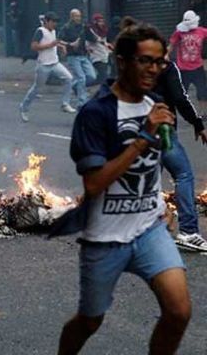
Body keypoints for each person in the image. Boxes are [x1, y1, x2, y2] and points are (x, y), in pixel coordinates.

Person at [57, 22, 190, 355]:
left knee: (179, 312)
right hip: (105, 238)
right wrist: (143, 138)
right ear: (122, 61)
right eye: (145, 61)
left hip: (149, 230)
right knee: (90, 321)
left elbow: (157, 167)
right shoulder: (95, 113)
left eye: (159, 62)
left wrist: (165, 204)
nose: (153, 69)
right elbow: (95, 182)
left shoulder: (156, 104)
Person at [18, 11, 75, 122]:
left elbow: (53, 42)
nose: (55, 24)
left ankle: (65, 103)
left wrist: (60, 46)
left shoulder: (53, 31)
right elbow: (34, 46)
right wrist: (51, 45)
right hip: (43, 65)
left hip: (55, 63)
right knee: (37, 88)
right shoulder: (40, 31)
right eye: (53, 22)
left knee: (69, 78)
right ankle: (24, 107)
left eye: (56, 22)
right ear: (47, 21)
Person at [167, 10, 207, 115]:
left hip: (198, 68)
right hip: (183, 69)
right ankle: (177, 113)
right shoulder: (179, 32)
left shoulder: (202, 31)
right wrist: (165, 55)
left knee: (203, 91)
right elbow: (171, 46)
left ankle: (203, 113)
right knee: (180, 93)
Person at [59, 9, 97, 106]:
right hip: (73, 56)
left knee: (92, 76)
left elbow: (92, 38)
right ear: (71, 17)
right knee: (81, 78)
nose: (78, 18)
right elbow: (59, 40)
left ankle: (74, 86)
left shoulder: (83, 27)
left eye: (79, 16)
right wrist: (70, 44)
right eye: (76, 16)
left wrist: (91, 31)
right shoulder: (66, 28)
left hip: (83, 55)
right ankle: (82, 102)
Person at [86, 13, 114, 86]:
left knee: (100, 78)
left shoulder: (103, 30)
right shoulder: (90, 30)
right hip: (96, 56)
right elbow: (91, 41)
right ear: (95, 22)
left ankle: (79, 85)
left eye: (102, 21)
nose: (101, 23)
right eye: (99, 21)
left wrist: (109, 48)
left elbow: (104, 42)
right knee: (104, 76)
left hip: (104, 55)